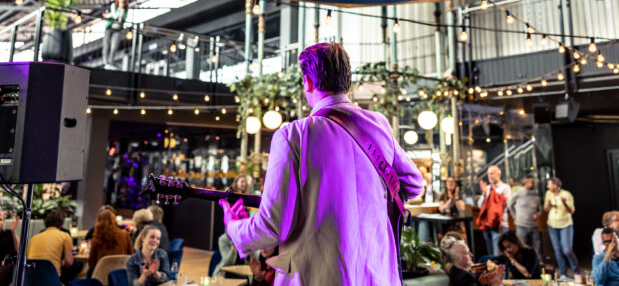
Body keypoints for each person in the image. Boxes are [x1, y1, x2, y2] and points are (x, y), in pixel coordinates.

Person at [219, 42, 423, 285]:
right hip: (376, 275)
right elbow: (413, 183)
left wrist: (234, 226)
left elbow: (272, 226)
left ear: (308, 82)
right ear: (347, 81)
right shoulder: (378, 124)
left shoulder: (294, 135)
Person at [27, 209, 82, 283]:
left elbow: (28, 260)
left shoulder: (33, 238)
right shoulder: (65, 236)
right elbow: (69, 262)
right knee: (79, 265)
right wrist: (60, 263)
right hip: (51, 279)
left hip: (31, 280)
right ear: (62, 223)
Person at [213, 174, 251, 276]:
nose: (244, 184)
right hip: (232, 228)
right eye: (241, 181)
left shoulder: (247, 197)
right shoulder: (232, 195)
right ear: (236, 182)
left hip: (242, 228)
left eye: (245, 182)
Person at [544, 176, 581, 279]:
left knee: (567, 249)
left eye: (549, 184)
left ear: (555, 185)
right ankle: (563, 273)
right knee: (557, 250)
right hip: (552, 225)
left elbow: (571, 211)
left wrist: (564, 203)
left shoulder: (566, 194)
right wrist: (548, 205)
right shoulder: (548, 194)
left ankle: (577, 271)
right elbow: (546, 210)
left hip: (565, 225)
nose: (548, 186)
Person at [441, 234, 506, 286]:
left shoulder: (452, 269)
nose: (471, 255)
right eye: (466, 252)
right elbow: (479, 268)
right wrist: (495, 284)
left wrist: (480, 282)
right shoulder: (464, 275)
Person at [88, 208, 133, 275]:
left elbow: (91, 263)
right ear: (114, 221)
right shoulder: (125, 234)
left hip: (102, 275)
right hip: (121, 275)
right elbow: (131, 256)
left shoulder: (96, 238)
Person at [478, 165, 512, 255]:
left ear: (499, 174)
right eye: (488, 174)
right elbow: (480, 205)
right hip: (487, 225)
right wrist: (485, 194)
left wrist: (492, 195)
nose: (490, 176)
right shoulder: (487, 188)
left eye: (492, 174)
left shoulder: (505, 187)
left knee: (499, 255)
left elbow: (505, 204)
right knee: (491, 256)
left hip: (500, 225)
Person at [508, 174, 542, 257]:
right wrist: (514, 216)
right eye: (532, 182)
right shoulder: (519, 193)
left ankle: (537, 268)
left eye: (534, 182)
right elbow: (510, 204)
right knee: (521, 248)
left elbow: (539, 210)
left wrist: (537, 215)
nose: (534, 184)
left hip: (534, 226)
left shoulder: (535, 195)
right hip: (521, 225)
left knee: (537, 249)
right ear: (526, 183)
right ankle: (522, 268)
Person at [102, 0, 129, 69]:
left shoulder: (125, 9)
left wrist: (122, 11)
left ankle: (110, 62)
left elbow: (123, 18)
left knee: (114, 46)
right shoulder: (113, 5)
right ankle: (105, 62)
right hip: (109, 27)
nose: (121, 0)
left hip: (118, 29)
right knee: (106, 45)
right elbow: (114, 15)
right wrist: (119, 9)